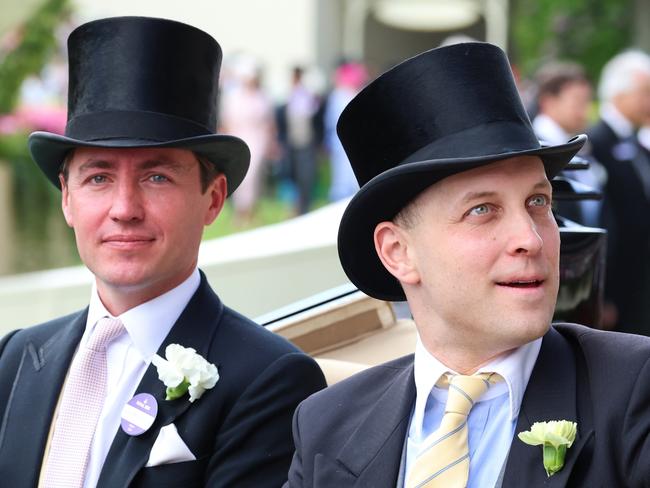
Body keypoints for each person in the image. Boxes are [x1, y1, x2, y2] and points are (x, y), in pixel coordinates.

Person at [285, 43, 650, 487]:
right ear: (398, 252)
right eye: (482, 210)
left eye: (538, 201)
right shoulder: (326, 426)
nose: (530, 239)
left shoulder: (634, 391)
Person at [0, 17, 325, 488]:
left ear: (212, 199)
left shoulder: (269, 381)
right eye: (98, 177)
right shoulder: (16, 357)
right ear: (66, 199)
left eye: (157, 177)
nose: (125, 209)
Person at [587, 49, 650, 334]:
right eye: (644, 93)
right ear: (619, 94)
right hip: (618, 286)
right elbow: (598, 220)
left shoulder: (634, 141)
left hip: (639, 282)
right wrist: (604, 293)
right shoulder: (596, 142)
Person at [532, 61, 603, 226]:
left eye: (587, 102)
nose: (584, 111)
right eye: (578, 101)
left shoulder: (581, 143)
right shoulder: (532, 148)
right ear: (548, 102)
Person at [219, 54, 278, 226]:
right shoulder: (234, 96)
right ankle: (241, 211)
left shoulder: (263, 96)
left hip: (259, 138)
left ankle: (252, 210)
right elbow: (227, 120)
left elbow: (269, 121)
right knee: (243, 175)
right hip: (240, 135)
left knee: (255, 175)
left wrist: (272, 142)